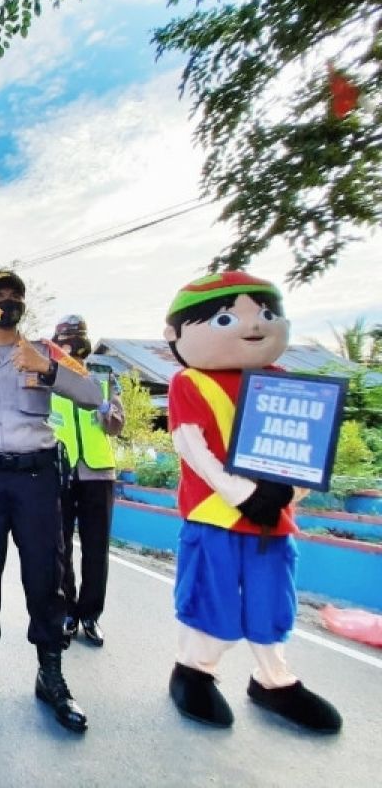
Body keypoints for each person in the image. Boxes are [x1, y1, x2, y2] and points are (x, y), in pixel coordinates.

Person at [163, 271, 340, 733]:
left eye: (266, 314)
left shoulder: (286, 382)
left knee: (272, 601)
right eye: (226, 318)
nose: (253, 327)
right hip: (214, 515)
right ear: (176, 335)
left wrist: (287, 492)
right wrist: (244, 495)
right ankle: (194, 671)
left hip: (273, 522)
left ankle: (274, 680)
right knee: (209, 595)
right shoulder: (190, 383)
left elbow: (305, 447)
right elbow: (193, 447)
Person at [0, 269, 101, 734]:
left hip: (36, 478)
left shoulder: (47, 352)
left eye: (15, 296)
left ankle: (50, 675)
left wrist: (47, 367)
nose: (7, 302)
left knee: (46, 578)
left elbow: (91, 395)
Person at [49, 315, 124, 647]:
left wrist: (109, 412)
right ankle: (67, 611)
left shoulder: (104, 376)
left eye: (75, 339)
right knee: (59, 545)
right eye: (64, 340)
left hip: (98, 472)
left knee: (96, 549)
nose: (70, 346)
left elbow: (117, 425)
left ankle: (91, 615)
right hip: (60, 470)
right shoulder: (49, 377)